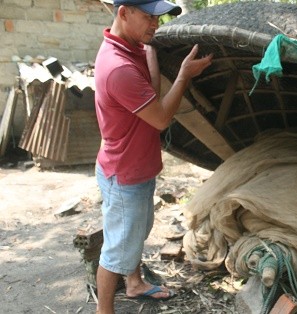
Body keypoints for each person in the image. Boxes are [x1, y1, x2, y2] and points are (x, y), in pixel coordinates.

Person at [93, 0, 212, 313]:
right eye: (148, 17)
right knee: (116, 252)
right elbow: (160, 118)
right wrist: (184, 75)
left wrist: (151, 53)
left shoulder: (129, 46)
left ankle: (134, 283)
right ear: (124, 13)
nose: (155, 25)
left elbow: (150, 88)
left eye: (157, 18)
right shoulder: (118, 68)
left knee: (134, 234)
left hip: (136, 168)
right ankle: (103, 310)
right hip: (125, 174)